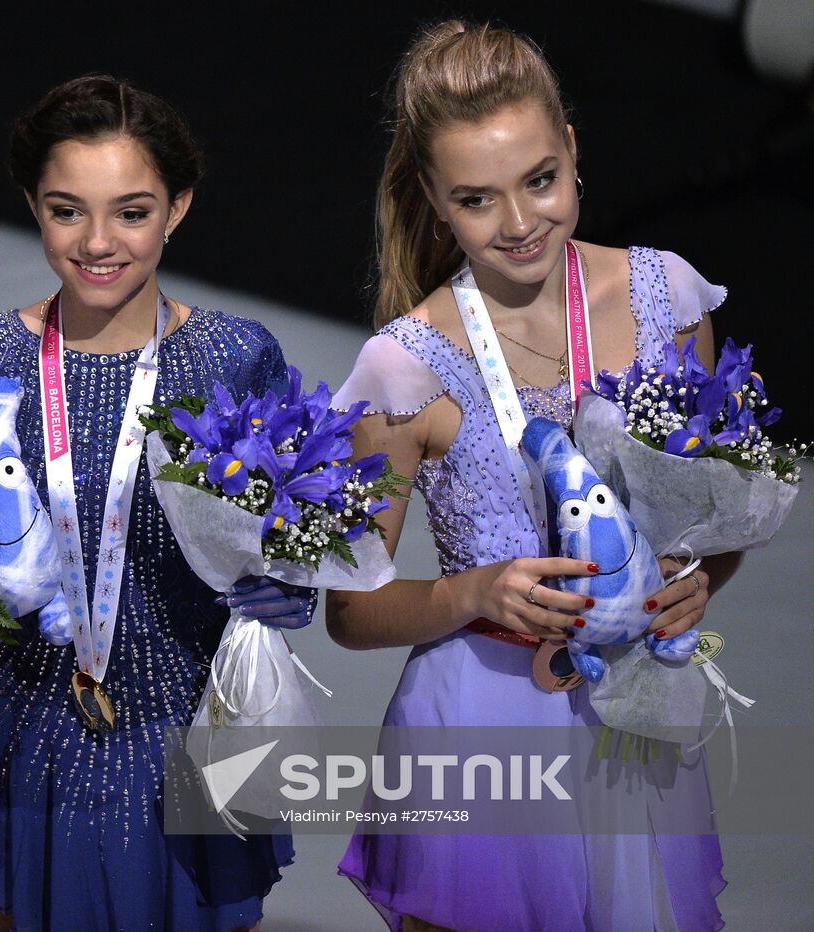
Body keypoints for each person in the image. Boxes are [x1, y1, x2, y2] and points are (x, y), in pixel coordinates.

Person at [326, 21, 739, 931]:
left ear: (573, 152)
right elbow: (350, 612)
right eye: (477, 199)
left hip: (634, 714)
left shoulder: (668, 299)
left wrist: (696, 581)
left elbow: (710, 519)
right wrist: (476, 592)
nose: (519, 224)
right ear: (434, 199)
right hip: (476, 728)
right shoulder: (406, 369)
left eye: (540, 181)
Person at [0, 74, 310, 931]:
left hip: (198, 730)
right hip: (36, 732)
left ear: (180, 208)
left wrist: (293, 587)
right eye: (66, 210)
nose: (97, 241)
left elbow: (288, 535)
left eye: (131, 211)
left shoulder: (238, 356)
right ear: (31, 205)